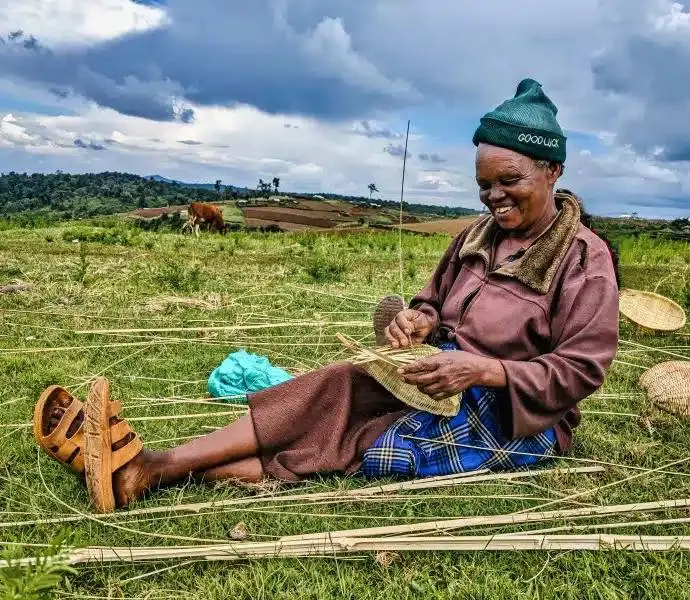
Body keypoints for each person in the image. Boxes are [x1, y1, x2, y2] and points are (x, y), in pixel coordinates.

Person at [34, 78, 620, 513]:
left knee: (360, 440)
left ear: (553, 171)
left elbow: (580, 372)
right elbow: (432, 302)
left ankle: (147, 472)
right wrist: (415, 323)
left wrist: (484, 370)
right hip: (435, 379)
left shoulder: (583, 260)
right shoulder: (475, 238)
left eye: (510, 181)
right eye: (485, 185)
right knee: (337, 385)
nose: (495, 197)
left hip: (515, 417)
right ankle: (145, 469)